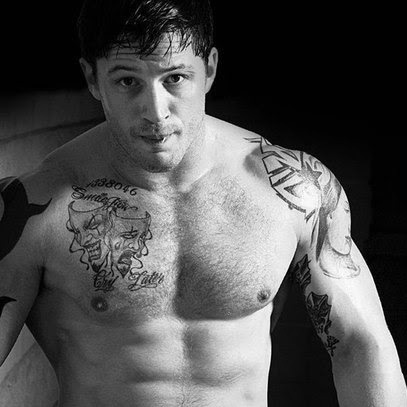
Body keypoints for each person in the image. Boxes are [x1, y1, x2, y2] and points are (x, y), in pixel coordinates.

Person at [0, 1, 406, 406]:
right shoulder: (34, 207)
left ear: (209, 69)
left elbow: (361, 343)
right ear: (92, 78)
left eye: (175, 78)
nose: (155, 112)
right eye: (127, 81)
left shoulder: (291, 189)